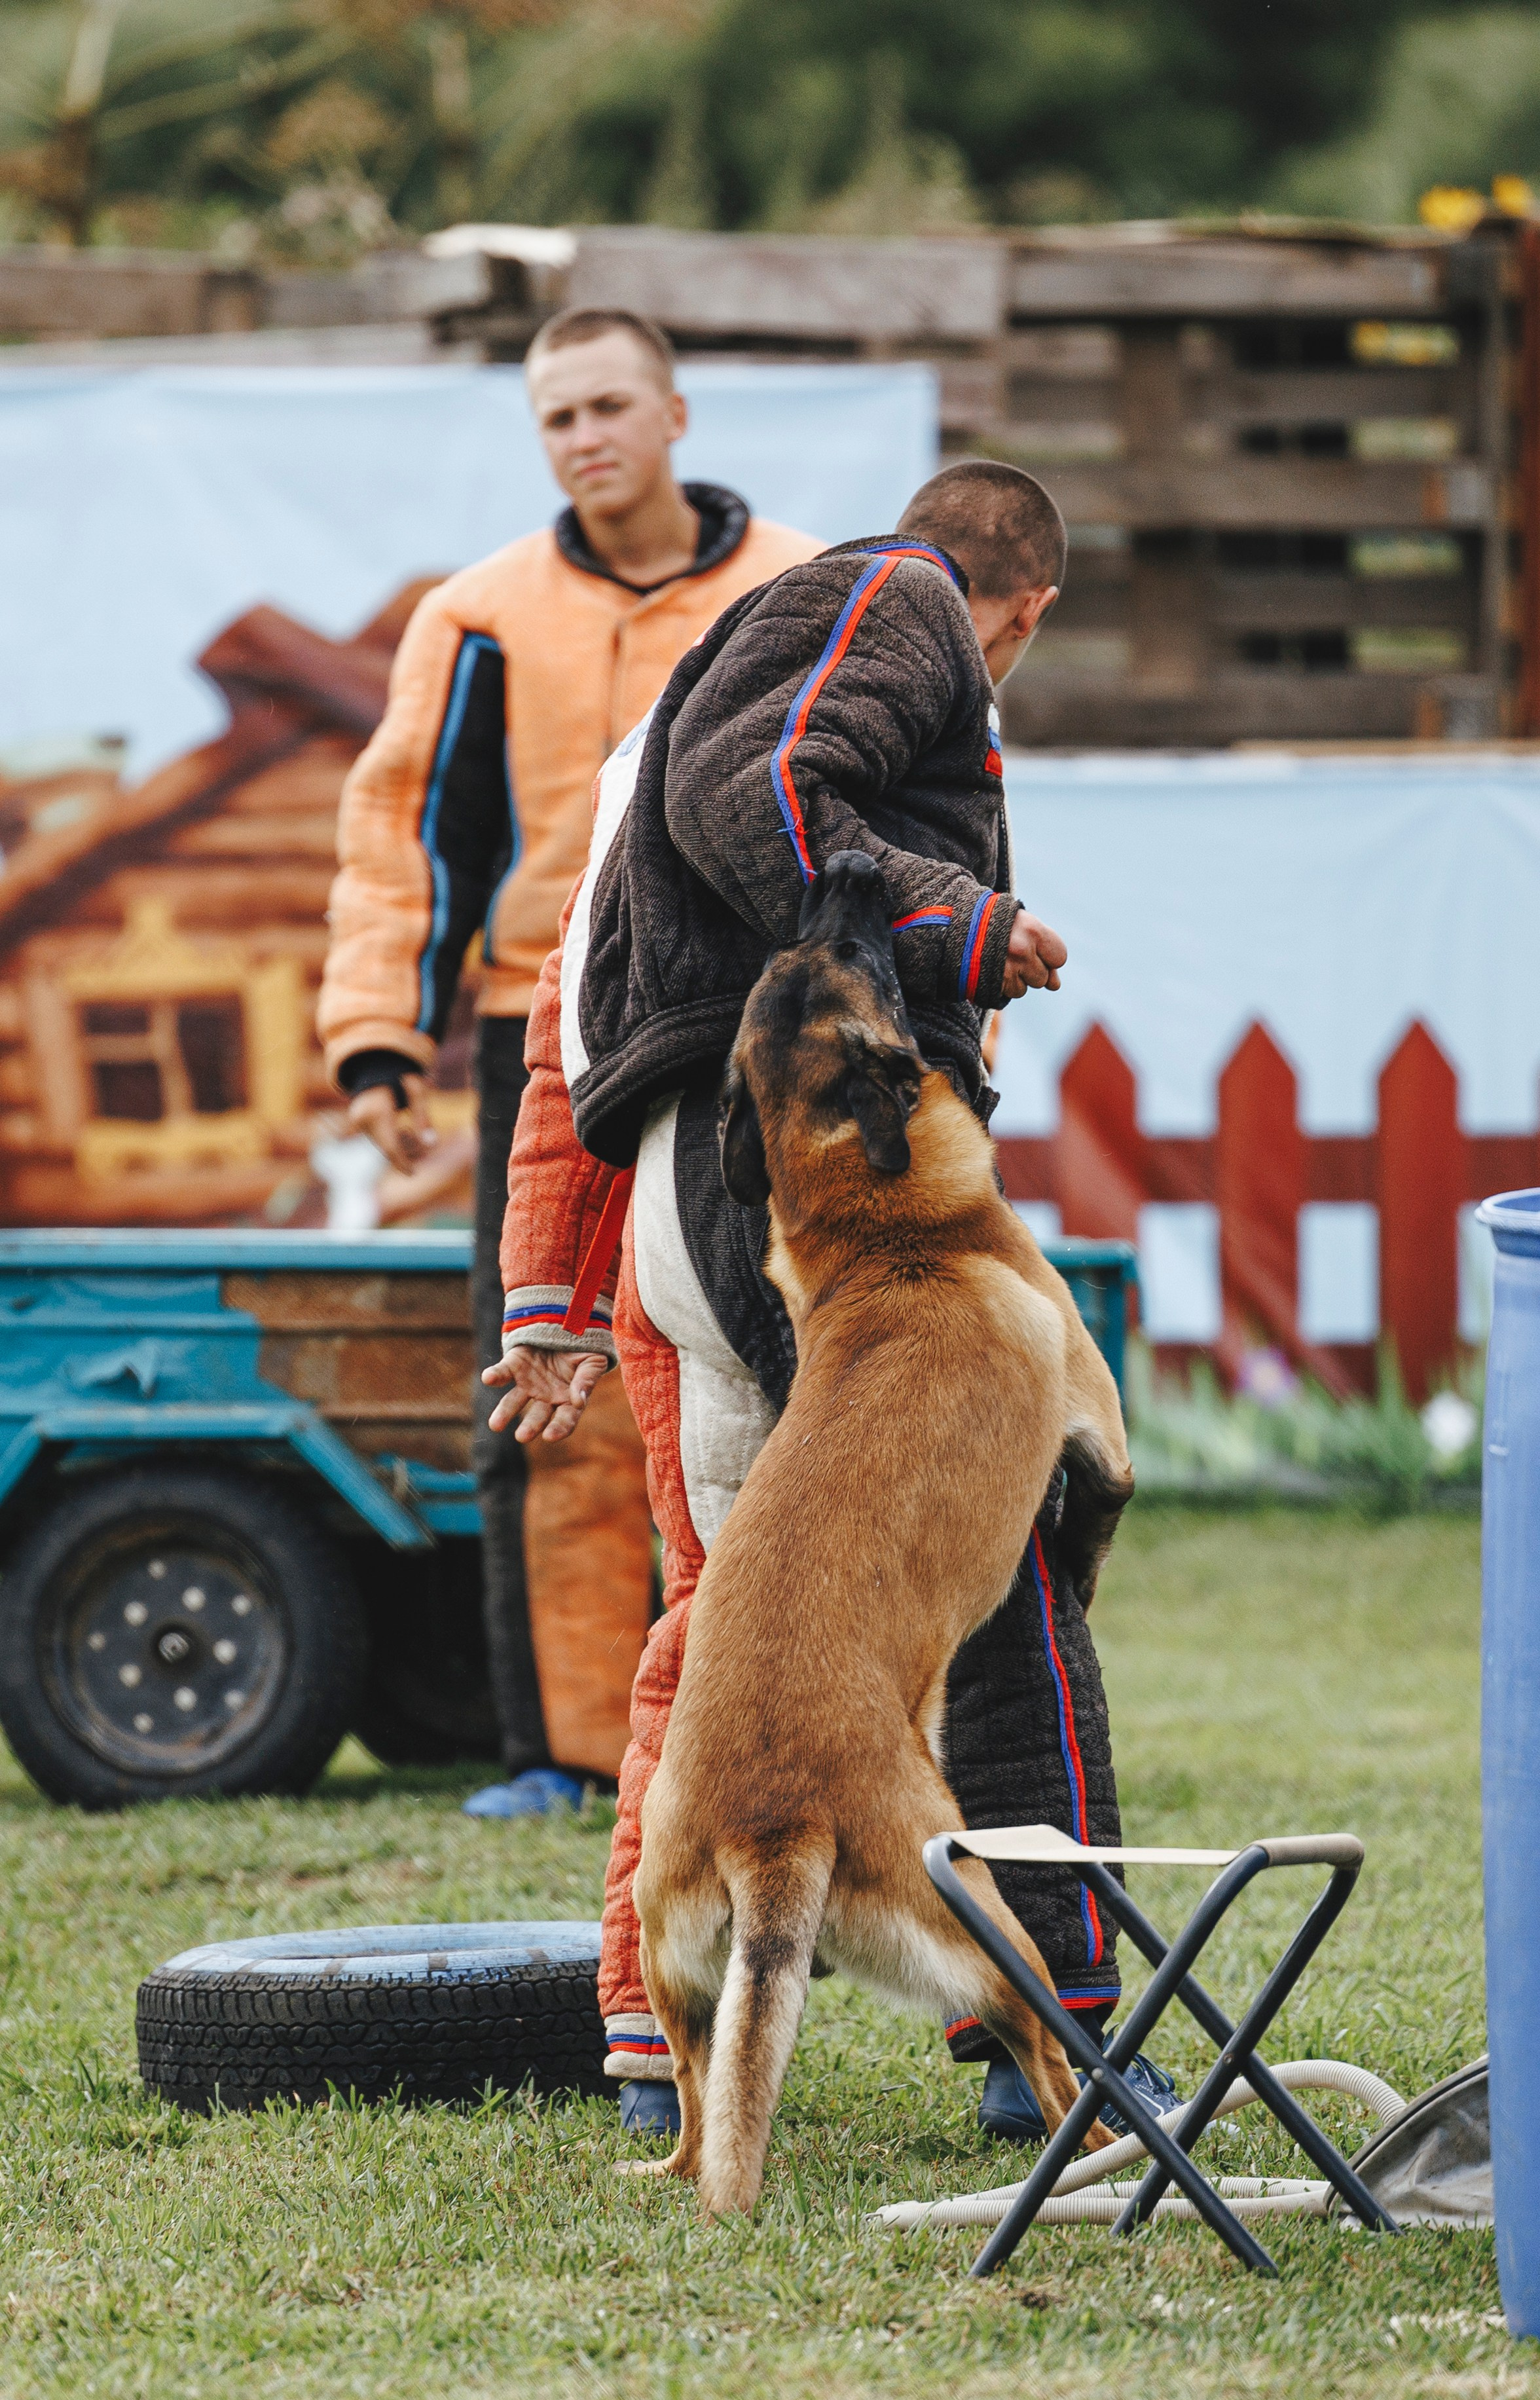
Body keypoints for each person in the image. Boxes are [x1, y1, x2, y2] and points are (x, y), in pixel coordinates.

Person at [488, 460, 1178, 2140]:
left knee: (740, 1624)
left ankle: (658, 2033)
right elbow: (769, 791)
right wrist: (957, 922)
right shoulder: (904, 598)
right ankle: (1062, 2038)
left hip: (702, 1190)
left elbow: (570, 1015)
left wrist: (550, 1277)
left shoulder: (702, 679)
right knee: (1005, 1570)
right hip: (806, 1173)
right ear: (1030, 608)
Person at [316, 307, 821, 1817]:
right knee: (549, 1364)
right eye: (557, 416)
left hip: (757, 1027)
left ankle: (790, 1719)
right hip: (546, 1035)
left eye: (609, 405)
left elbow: (890, 800)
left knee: (786, 1370)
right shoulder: (479, 614)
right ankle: (567, 1746)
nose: (585, 436)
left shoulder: (802, 585)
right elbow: (410, 838)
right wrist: (376, 1035)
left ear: (675, 414)